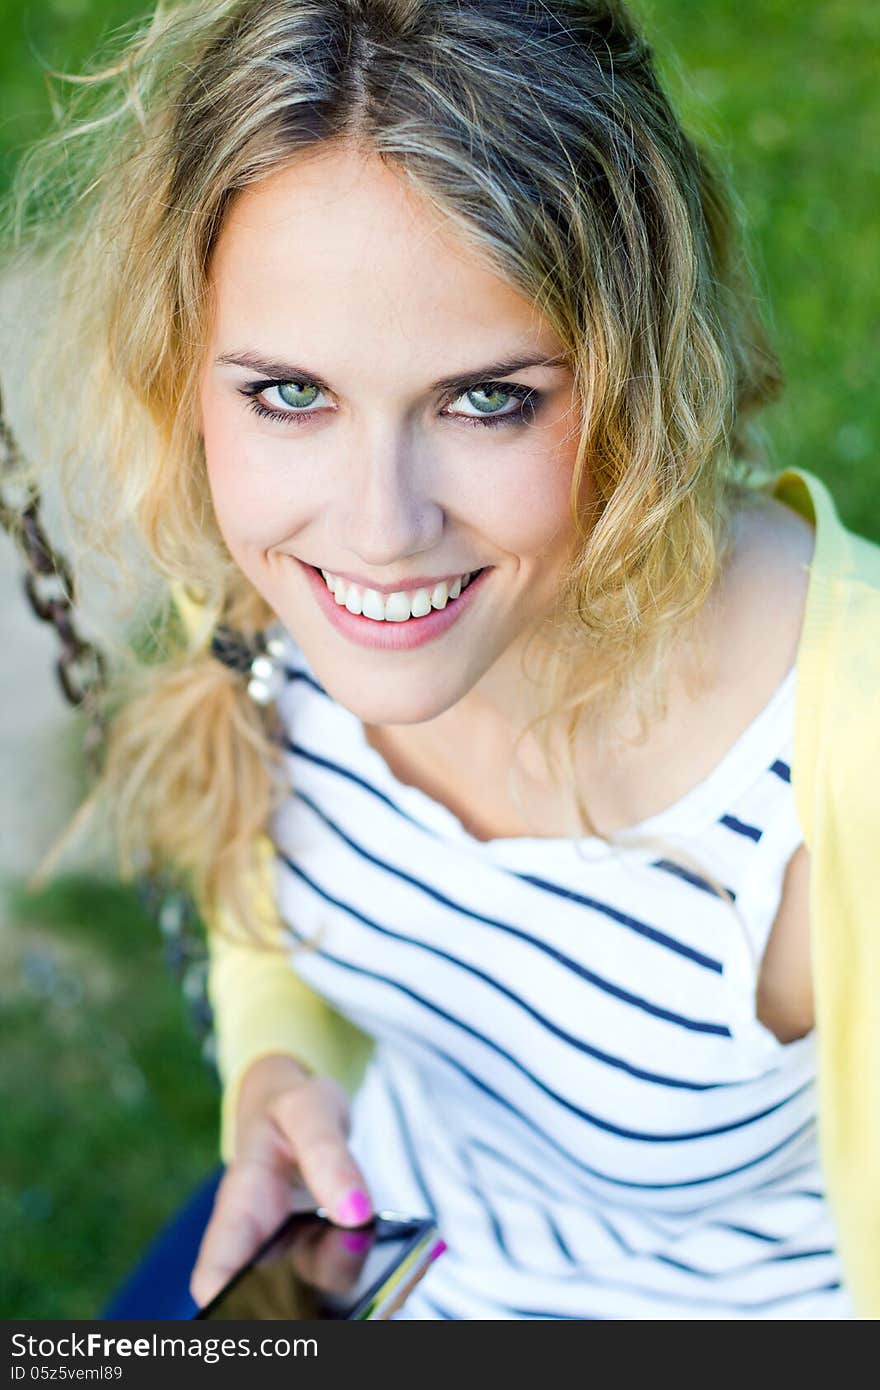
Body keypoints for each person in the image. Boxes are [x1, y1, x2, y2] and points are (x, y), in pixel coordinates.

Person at [5, 0, 879, 1320]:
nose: (377, 531)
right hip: (384, 1258)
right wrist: (276, 1072)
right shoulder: (268, 592)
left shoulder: (842, 752)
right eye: (289, 393)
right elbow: (267, 926)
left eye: (487, 398)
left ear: (638, 368)